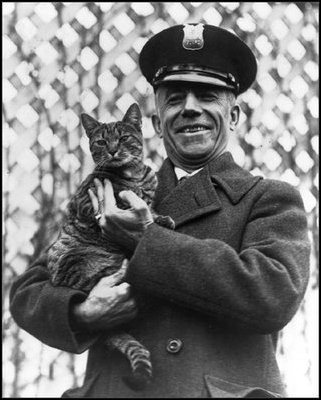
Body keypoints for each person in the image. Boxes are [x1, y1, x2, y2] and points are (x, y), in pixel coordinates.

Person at [10, 23, 310, 398]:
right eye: (174, 99)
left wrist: (146, 240)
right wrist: (83, 312)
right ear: (156, 124)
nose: (189, 109)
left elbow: (273, 294)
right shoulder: (116, 192)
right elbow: (28, 292)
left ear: (233, 116)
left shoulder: (268, 198)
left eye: (207, 95)